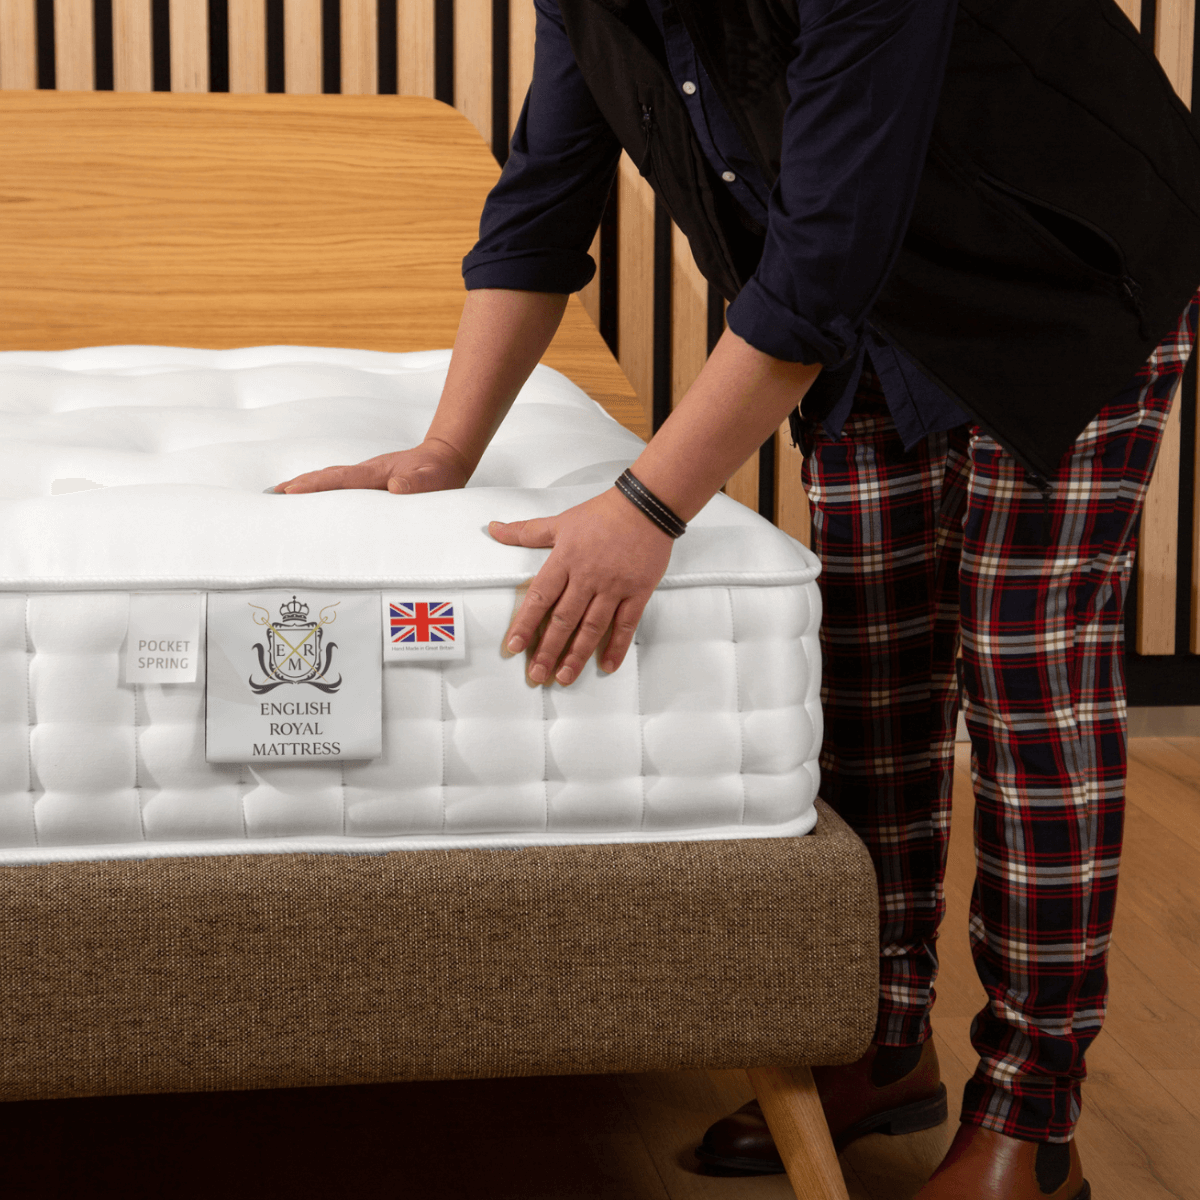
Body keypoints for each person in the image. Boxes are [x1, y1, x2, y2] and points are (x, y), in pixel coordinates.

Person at [274, 1, 1200, 1195]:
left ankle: (1033, 1111)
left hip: (1057, 280)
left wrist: (647, 509)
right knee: (864, 671)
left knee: (1027, 684)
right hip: (866, 302)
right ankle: (874, 1037)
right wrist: (446, 449)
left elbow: (817, 264)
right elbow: (542, 202)